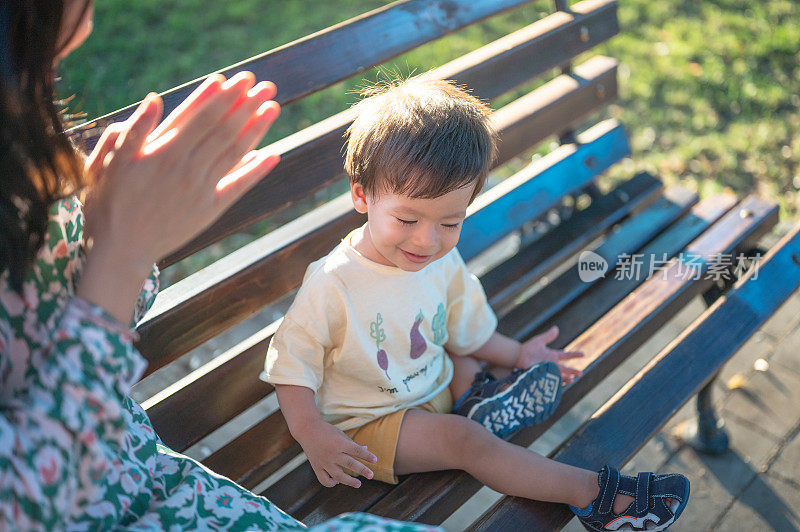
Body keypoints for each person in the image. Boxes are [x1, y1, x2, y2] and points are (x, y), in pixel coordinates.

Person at [0, 1, 439, 530]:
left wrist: (100, 238)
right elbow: (23, 507)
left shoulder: (18, 140)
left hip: (165, 491)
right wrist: (120, 256)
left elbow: (79, 318)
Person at [263, 79, 691, 531]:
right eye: (407, 219)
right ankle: (598, 497)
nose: (426, 240)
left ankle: (481, 399)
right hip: (368, 425)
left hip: (432, 383)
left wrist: (520, 356)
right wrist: (314, 435)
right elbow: (291, 368)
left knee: (460, 352)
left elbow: (469, 332)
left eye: (450, 222)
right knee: (468, 441)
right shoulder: (334, 283)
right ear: (362, 195)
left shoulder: (437, 260)